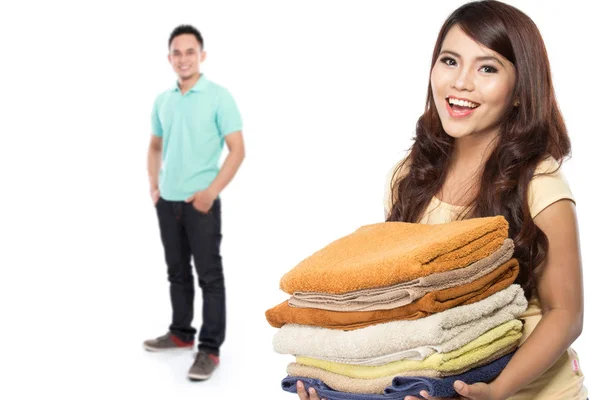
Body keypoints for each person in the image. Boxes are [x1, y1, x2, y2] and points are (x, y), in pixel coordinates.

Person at [296, 1, 586, 399]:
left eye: (487, 68)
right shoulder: (408, 177)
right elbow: (400, 307)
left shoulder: (540, 182)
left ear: (521, 91)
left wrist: (497, 390)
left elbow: (565, 314)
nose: (461, 82)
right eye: (450, 61)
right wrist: (344, 385)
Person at [143, 24, 245, 382]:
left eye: (190, 51)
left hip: (201, 203)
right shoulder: (163, 100)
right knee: (176, 272)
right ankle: (180, 333)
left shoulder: (219, 96)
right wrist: (154, 186)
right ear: (169, 57)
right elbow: (155, 146)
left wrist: (210, 192)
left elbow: (237, 150)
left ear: (201, 56)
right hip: (167, 202)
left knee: (209, 277)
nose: (183, 58)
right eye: (176, 52)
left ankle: (210, 349)